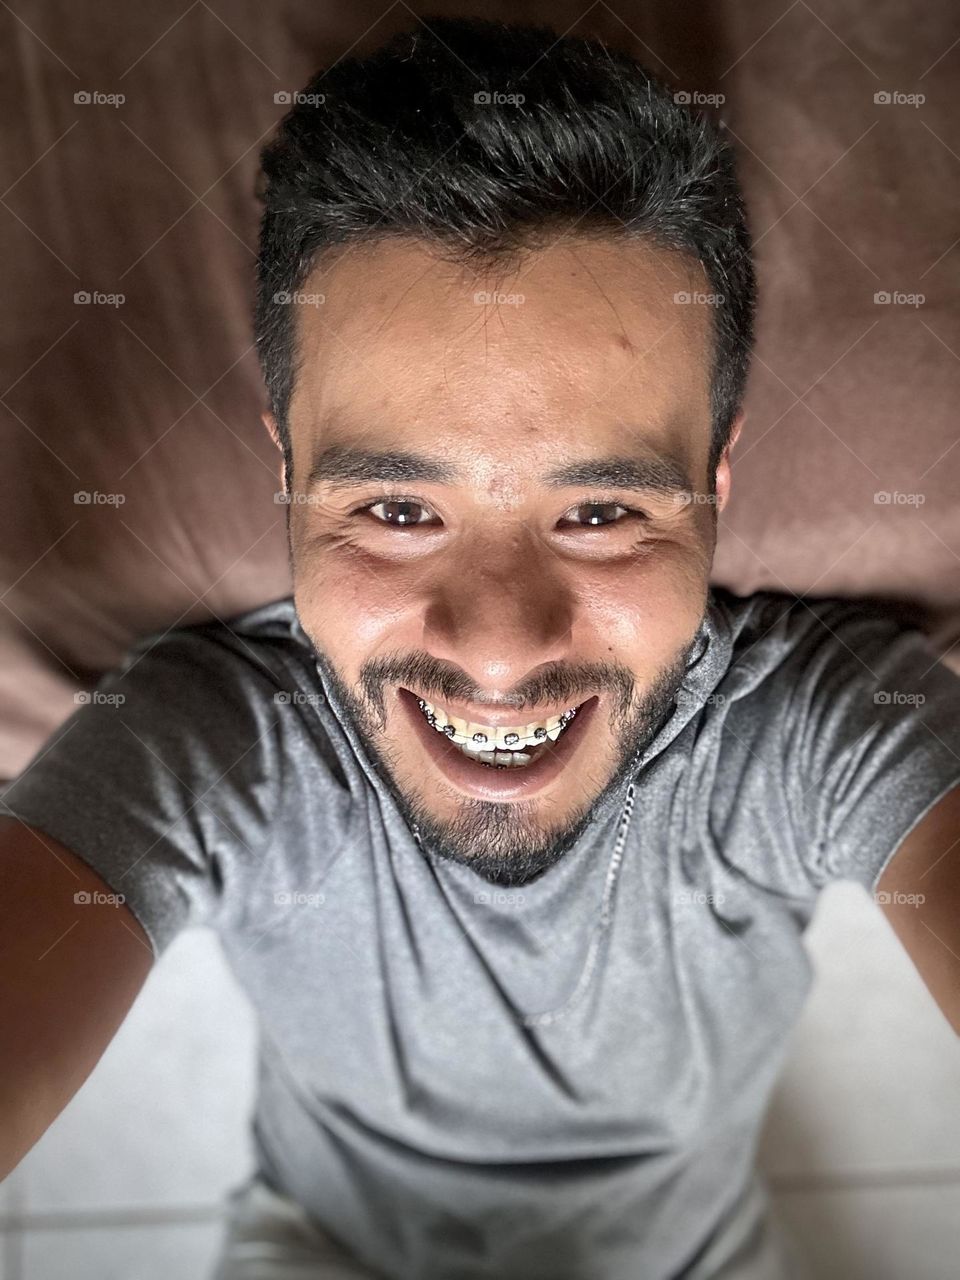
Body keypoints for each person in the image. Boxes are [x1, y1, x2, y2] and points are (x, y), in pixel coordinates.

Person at [3, 16, 959, 1280]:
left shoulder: (812, 723)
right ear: (286, 476)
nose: (500, 649)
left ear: (718, 480)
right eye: (397, 512)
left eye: (602, 511)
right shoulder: (210, 737)